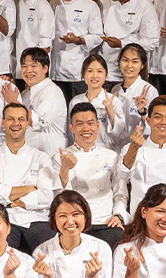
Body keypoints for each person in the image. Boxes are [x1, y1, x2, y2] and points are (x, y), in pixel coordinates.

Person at [0, 103, 58, 252]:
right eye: (11, 119)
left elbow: (47, 196)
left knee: (52, 253)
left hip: (36, 218)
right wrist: (30, 189)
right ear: (3, 123)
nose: (16, 124)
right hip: (4, 218)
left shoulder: (41, 157)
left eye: (21, 119)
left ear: (27, 124)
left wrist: (9, 198)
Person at [55, 103, 129, 250]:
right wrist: (64, 170)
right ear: (72, 128)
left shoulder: (112, 156)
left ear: (97, 125)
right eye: (79, 124)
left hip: (106, 223)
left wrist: (118, 215)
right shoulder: (60, 157)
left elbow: (120, 194)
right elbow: (58, 197)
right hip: (74, 223)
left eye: (90, 123)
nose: (86, 128)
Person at [119, 96, 166, 220]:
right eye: (158, 117)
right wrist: (134, 147)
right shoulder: (131, 148)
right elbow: (123, 175)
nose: (163, 122)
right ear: (148, 120)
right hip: (140, 219)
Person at [97, 0, 159, 84]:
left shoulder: (144, 6)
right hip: (105, 66)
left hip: (130, 71)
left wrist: (121, 43)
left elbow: (152, 41)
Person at [50, 0, 103, 102]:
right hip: (55, 68)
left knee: (78, 107)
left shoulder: (90, 6)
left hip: (77, 69)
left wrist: (78, 39)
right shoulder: (53, 3)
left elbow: (98, 36)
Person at [69, 54, 127, 151]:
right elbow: (71, 133)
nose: (95, 76)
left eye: (99, 71)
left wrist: (110, 112)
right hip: (81, 152)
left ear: (106, 75)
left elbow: (121, 135)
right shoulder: (75, 101)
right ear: (83, 74)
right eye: (90, 71)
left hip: (107, 152)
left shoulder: (114, 101)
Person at [18, 47, 66, 155]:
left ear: (45, 68)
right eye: (24, 66)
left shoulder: (52, 91)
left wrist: (13, 100)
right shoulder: (25, 94)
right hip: (29, 157)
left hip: (50, 157)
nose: (28, 70)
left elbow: (39, 122)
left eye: (34, 66)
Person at [13, 0, 54, 72]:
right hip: (21, 65)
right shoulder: (20, 4)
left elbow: (45, 44)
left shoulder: (43, 6)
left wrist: (34, 69)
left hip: (34, 68)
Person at [112, 43, 159, 137]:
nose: (129, 66)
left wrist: (142, 111)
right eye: (125, 60)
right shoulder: (115, 90)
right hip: (116, 145)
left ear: (142, 65)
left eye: (135, 62)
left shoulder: (150, 91)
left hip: (140, 145)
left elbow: (154, 125)